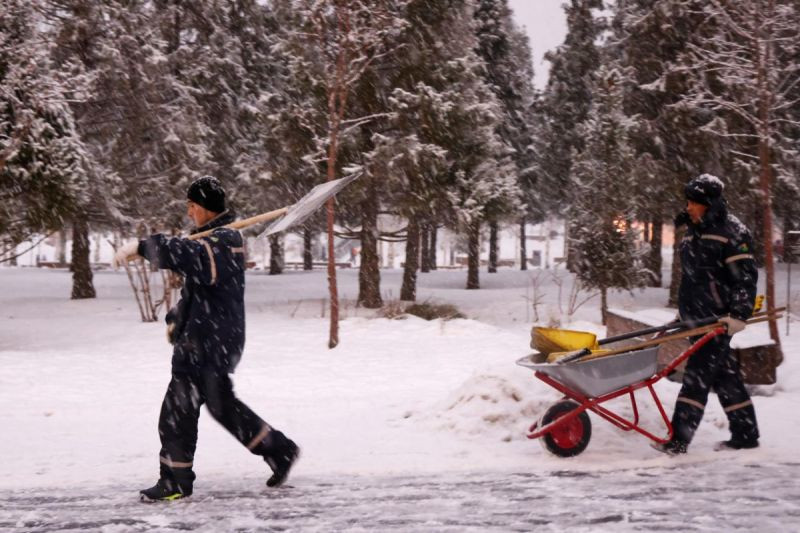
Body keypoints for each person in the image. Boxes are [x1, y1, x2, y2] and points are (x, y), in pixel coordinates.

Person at [114, 176, 299, 501]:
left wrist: (143, 247)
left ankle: (175, 481)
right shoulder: (211, 240)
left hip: (208, 346)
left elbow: (190, 256)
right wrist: (176, 319)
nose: (189, 213)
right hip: (206, 340)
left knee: (177, 412)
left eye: (192, 207)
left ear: (204, 208)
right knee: (222, 407)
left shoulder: (224, 242)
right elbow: (197, 292)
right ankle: (279, 449)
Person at [654, 174, 759, 455]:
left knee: (696, 380)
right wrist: (684, 312)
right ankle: (746, 434)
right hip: (696, 318)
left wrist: (738, 314)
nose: (688, 208)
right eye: (687, 202)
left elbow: (745, 278)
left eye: (694, 203)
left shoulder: (731, 232)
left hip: (717, 320)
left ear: (709, 204)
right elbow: (694, 279)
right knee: (725, 377)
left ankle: (678, 440)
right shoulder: (695, 231)